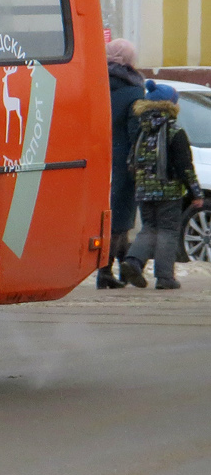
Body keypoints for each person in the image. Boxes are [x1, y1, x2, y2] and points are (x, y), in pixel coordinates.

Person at [119, 81, 205, 289]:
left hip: (143, 190)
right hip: (169, 191)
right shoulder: (174, 132)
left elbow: (132, 161)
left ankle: (133, 262)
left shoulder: (142, 130)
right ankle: (165, 277)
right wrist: (195, 192)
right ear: (170, 105)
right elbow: (185, 166)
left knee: (149, 228)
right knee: (167, 230)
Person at [98, 38, 145, 288]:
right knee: (121, 219)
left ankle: (124, 268)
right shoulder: (134, 91)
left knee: (113, 217)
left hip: (98, 159)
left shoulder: (98, 83)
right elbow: (135, 132)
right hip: (124, 161)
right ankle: (105, 272)